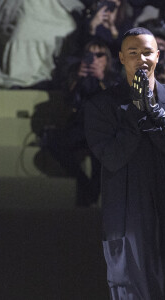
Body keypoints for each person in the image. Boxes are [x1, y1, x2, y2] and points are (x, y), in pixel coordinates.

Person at [84, 27, 165, 299]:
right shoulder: (101, 106)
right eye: (133, 53)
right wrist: (137, 110)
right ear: (121, 57)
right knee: (130, 284)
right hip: (126, 208)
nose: (141, 59)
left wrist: (158, 114)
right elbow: (112, 157)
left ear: (158, 56)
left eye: (146, 52)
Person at [42, 39, 120, 206]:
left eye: (99, 55)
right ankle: (85, 184)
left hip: (104, 132)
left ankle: (90, 197)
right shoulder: (77, 75)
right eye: (89, 55)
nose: (94, 59)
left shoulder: (115, 78)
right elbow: (69, 102)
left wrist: (101, 79)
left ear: (106, 58)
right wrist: (77, 79)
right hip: (80, 128)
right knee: (51, 140)